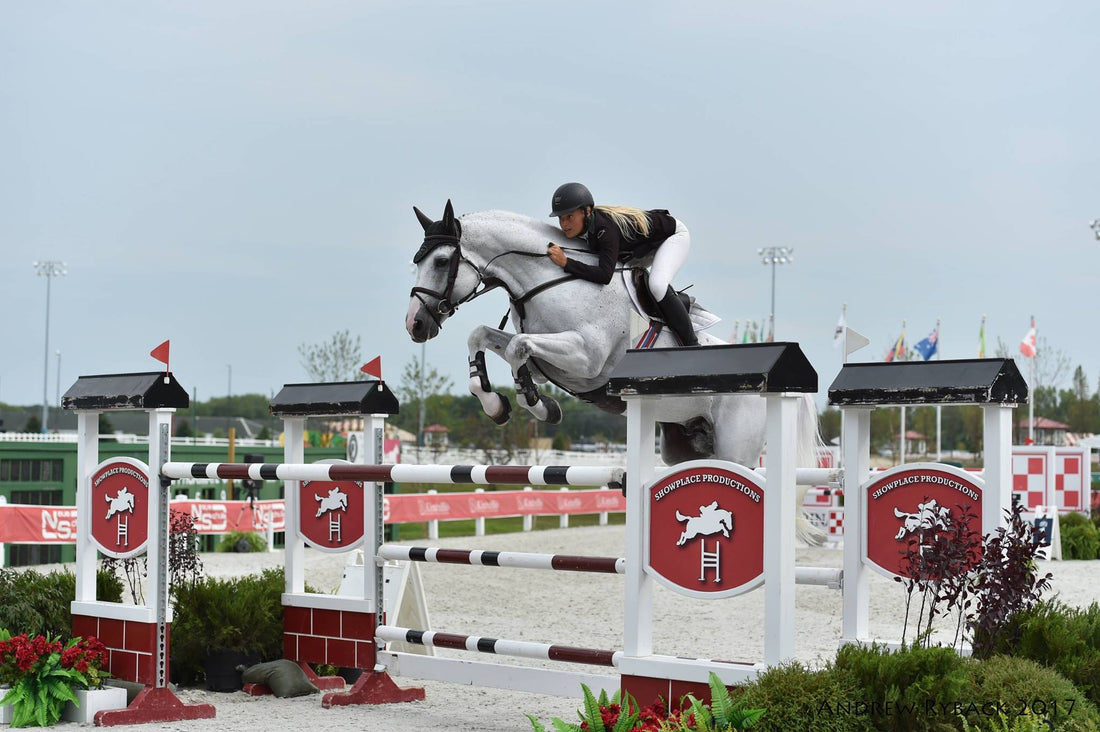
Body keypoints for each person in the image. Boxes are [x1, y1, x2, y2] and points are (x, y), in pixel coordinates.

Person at [546, 182, 698, 346]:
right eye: (561, 218)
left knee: (657, 285)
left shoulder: (604, 229)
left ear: (587, 211)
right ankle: (679, 302)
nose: (565, 224)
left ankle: (692, 345)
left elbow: (604, 275)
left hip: (673, 237)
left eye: (570, 217)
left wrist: (566, 263)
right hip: (643, 248)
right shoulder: (587, 228)